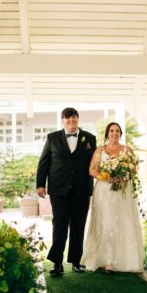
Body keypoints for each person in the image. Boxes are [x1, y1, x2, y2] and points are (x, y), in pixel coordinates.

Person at [36, 108, 97, 276]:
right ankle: (57, 263)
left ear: (78, 120)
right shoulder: (52, 138)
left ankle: (76, 262)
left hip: (82, 189)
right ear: (63, 120)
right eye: (68, 120)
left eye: (74, 119)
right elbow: (44, 162)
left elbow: (95, 162)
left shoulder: (90, 139)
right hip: (58, 188)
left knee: (79, 225)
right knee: (60, 226)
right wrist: (40, 184)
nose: (71, 122)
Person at [81, 122, 143, 273]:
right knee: (105, 222)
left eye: (117, 131)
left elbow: (134, 168)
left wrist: (124, 174)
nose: (114, 133)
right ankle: (105, 260)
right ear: (107, 133)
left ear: (120, 133)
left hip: (122, 190)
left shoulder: (127, 150)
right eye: (111, 131)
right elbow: (92, 170)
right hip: (104, 190)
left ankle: (120, 260)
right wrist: (107, 177)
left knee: (122, 221)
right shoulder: (100, 150)